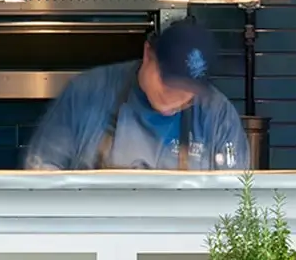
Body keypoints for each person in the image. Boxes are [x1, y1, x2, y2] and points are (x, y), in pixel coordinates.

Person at [22, 18, 250, 171]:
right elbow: (40, 175)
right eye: (169, 83)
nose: (176, 98)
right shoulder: (85, 95)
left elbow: (237, 201)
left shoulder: (218, 115)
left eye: (188, 91)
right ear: (148, 54)